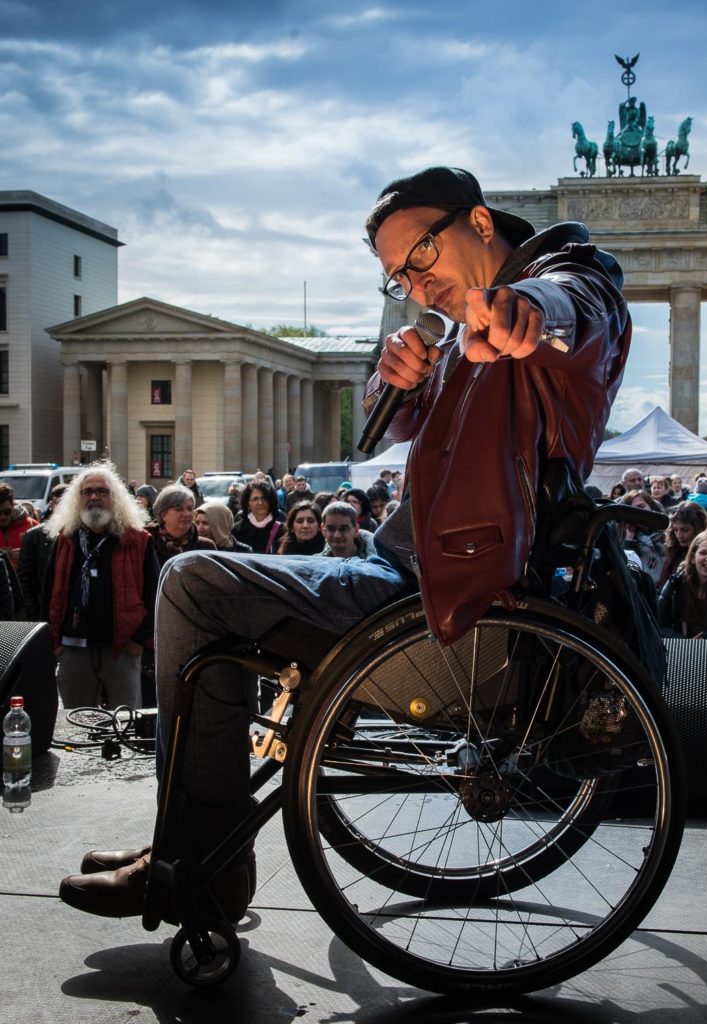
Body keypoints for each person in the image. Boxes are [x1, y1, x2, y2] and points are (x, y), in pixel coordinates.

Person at [59, 164, 633, 920]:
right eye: (397, 276)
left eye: (421, 254)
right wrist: (393, 380)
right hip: (399, 567)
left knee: (192, 582)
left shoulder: (561, 281)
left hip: (427, 589)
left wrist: (524, 310)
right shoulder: (460, 334)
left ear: (481, 224)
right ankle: (188, 837)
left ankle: (195, 858)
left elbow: (575, 311)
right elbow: (397, 427)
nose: (416, 285)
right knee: (205, 590)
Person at [41, 465, 160, 711]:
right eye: (87, 492)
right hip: (73, 650)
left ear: (115, 498)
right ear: (78, 499)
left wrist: (138, 641)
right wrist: (53, 643)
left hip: (122, 649)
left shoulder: (137, 541)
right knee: (76, 725)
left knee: (126, 723)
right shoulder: (65, 540)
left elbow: (154, 596)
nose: (94, 497)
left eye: (102, 491)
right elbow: (50, 592)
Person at [18, 484, 67, 621]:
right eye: (59, 502)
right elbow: (25, 578)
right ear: (51, 505)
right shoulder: (34, 536)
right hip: (43, 613)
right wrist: (34, 611)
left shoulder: (83, 535)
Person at [146, 485, 216, 567]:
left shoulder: (206, 546)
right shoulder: (146, 544)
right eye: (179, 509)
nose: (186, 514)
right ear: (163, 514)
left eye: (190, 509)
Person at [618, 489, 667, 584]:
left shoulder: (665, 533)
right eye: (633, 510)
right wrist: (628, 542)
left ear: (651, 507)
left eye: (641, 506)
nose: (639, 512)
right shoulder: (625, 538)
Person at [231, 479, 285, 554]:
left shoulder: (282, 530)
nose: (260, 503)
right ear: (248, 504)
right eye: (255, 499)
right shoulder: (237, 530)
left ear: (270, 501)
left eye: (264, 498)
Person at [0, 483, 39, 571]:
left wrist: (27, 554)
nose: (2, 517)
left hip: (24, 581)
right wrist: (4, 555)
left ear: (13, 506)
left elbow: (44, 557)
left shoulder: (31, 525)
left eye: (7, 512)